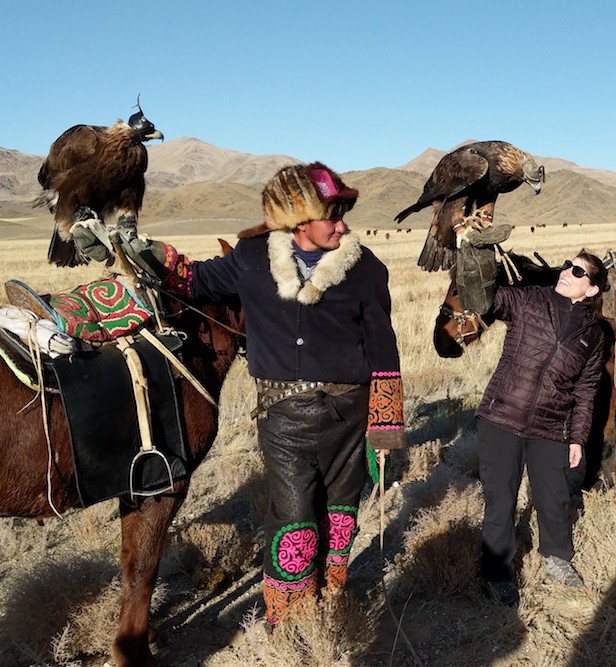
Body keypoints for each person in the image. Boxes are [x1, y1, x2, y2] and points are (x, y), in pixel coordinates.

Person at [74, 162, 406, 627]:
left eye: (343, 213)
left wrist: (386, 431)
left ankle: (330, 596)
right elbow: (191, 280)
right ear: (298, 220)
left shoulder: (367, 269)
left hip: (349, 416)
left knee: (341, 515)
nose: (342, 225)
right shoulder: (251, 259)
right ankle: (291, 621)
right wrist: (135, 253)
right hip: (283, 418)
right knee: (293, 519)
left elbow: (384, 350)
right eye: (332, 215)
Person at [477, 251, 608, 607]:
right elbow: (485, 298)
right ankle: (497, 573)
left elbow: (586, 390)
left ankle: (557, 559)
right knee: (500, 500)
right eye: (566, 265)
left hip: (551, 426)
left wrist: (578, 437)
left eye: (577, 270)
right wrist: (475, 257)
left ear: (592, 289)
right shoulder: (529, 299)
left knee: (554, 498)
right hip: (502, 416)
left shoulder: (593, 335)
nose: (566, 271)